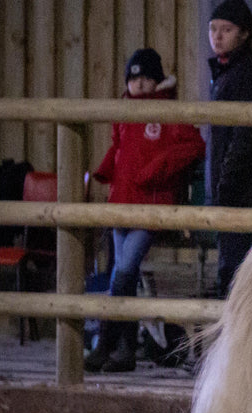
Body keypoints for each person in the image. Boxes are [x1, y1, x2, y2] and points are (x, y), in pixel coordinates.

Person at [86, 49, 205, 372]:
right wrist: (107, 168)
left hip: (151, 205)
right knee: (118, 275)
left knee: (124, 271)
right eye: (133, 78)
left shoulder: (168, 111)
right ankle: (117, 348)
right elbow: (119, 145)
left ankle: (113, 345)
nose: (138, 83)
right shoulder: (123, 110)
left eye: (145, 78)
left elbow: (194, 146)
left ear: (157, 80)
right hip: (120, 202)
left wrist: (160, 166)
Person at [206, 0, 252, 297]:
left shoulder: (244, 74)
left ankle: (237, 341)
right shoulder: (226, 72)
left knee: (235, 270)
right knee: (232, 266)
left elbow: (244, 135)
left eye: (226, 30)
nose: (217, 37)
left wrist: (225, 183)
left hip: (240, 189)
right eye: (213, 29)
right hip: (229, 185)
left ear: (244, 34)